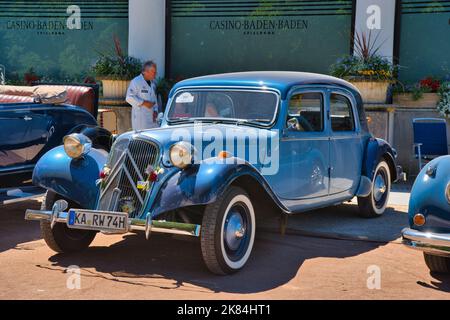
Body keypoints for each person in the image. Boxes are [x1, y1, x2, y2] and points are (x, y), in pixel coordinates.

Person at [126, 61, 159, 131]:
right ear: (145, 72)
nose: (155, 74)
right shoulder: (136, 82)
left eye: (155, 72)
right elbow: (129, 97)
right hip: (141, 120)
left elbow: (154, 99)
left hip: (152, 119)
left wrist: (156, 111)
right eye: (153, 71)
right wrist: (144, 103)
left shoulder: (153, 84)